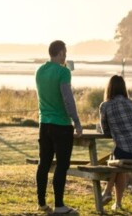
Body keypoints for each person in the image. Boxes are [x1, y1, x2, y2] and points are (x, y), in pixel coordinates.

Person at [35, 40, 83, 214]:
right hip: (61, 125)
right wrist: (77, 122)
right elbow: (68, 99)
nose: (66, 56)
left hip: (44, 123)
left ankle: (41, 202)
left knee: (44, 164)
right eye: (65, 52)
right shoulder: (64, 72)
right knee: (62, 165)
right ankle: (60, 205)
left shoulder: (39, 71)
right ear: (61, 53)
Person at [99, 74, 132, 211]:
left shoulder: (105, 106)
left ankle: (107, 191)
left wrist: (115, 129)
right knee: (118, 162)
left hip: (127, 151)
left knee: (115, 159)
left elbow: (105, 131)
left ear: (109, 89)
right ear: (124, 88)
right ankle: (117, 203)